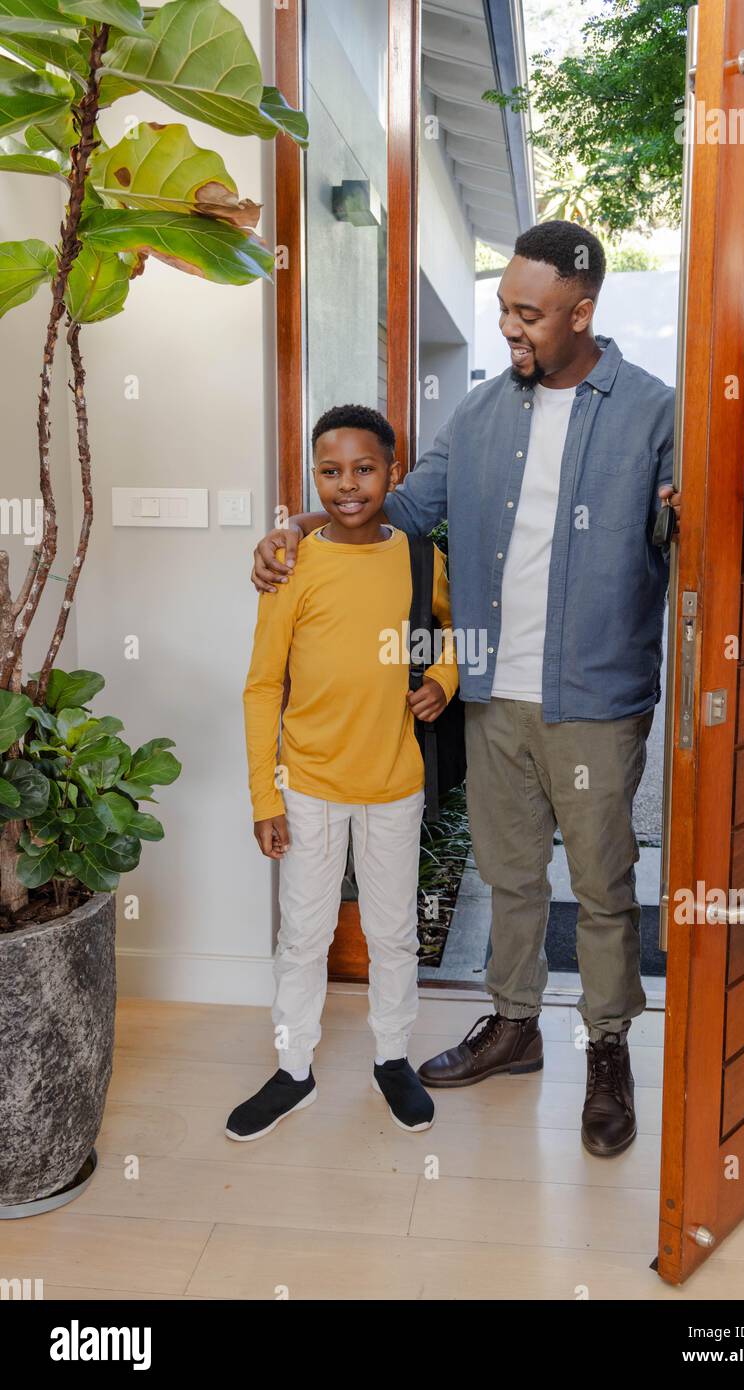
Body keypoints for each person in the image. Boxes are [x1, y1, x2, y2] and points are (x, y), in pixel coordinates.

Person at [250, 222, 681, 1158]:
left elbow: (689, 542)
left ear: (581, 312)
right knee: (509, 876)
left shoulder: (656, 414)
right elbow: (397, 511)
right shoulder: (482, 414)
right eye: (502, 309)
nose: (509, 329)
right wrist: (295, 526)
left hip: (595, 697)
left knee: (602, 888)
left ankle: (607, 1048)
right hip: (489, 693)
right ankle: (515, 1026)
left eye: (528, 314)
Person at [226, 404, 458, 1141]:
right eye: (330, 471)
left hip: (394, 784)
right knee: (303, 934)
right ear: (313, 475)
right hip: (309, 788)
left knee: (392, 934)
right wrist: (264, 797)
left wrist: (442, 679)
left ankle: (391, 1059)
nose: (347, 485)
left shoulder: (419, 558)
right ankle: (293, 1070)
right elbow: (262, 686)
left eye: (364, 469)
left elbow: (455, 631)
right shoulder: (292, 564)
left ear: (393, 471)